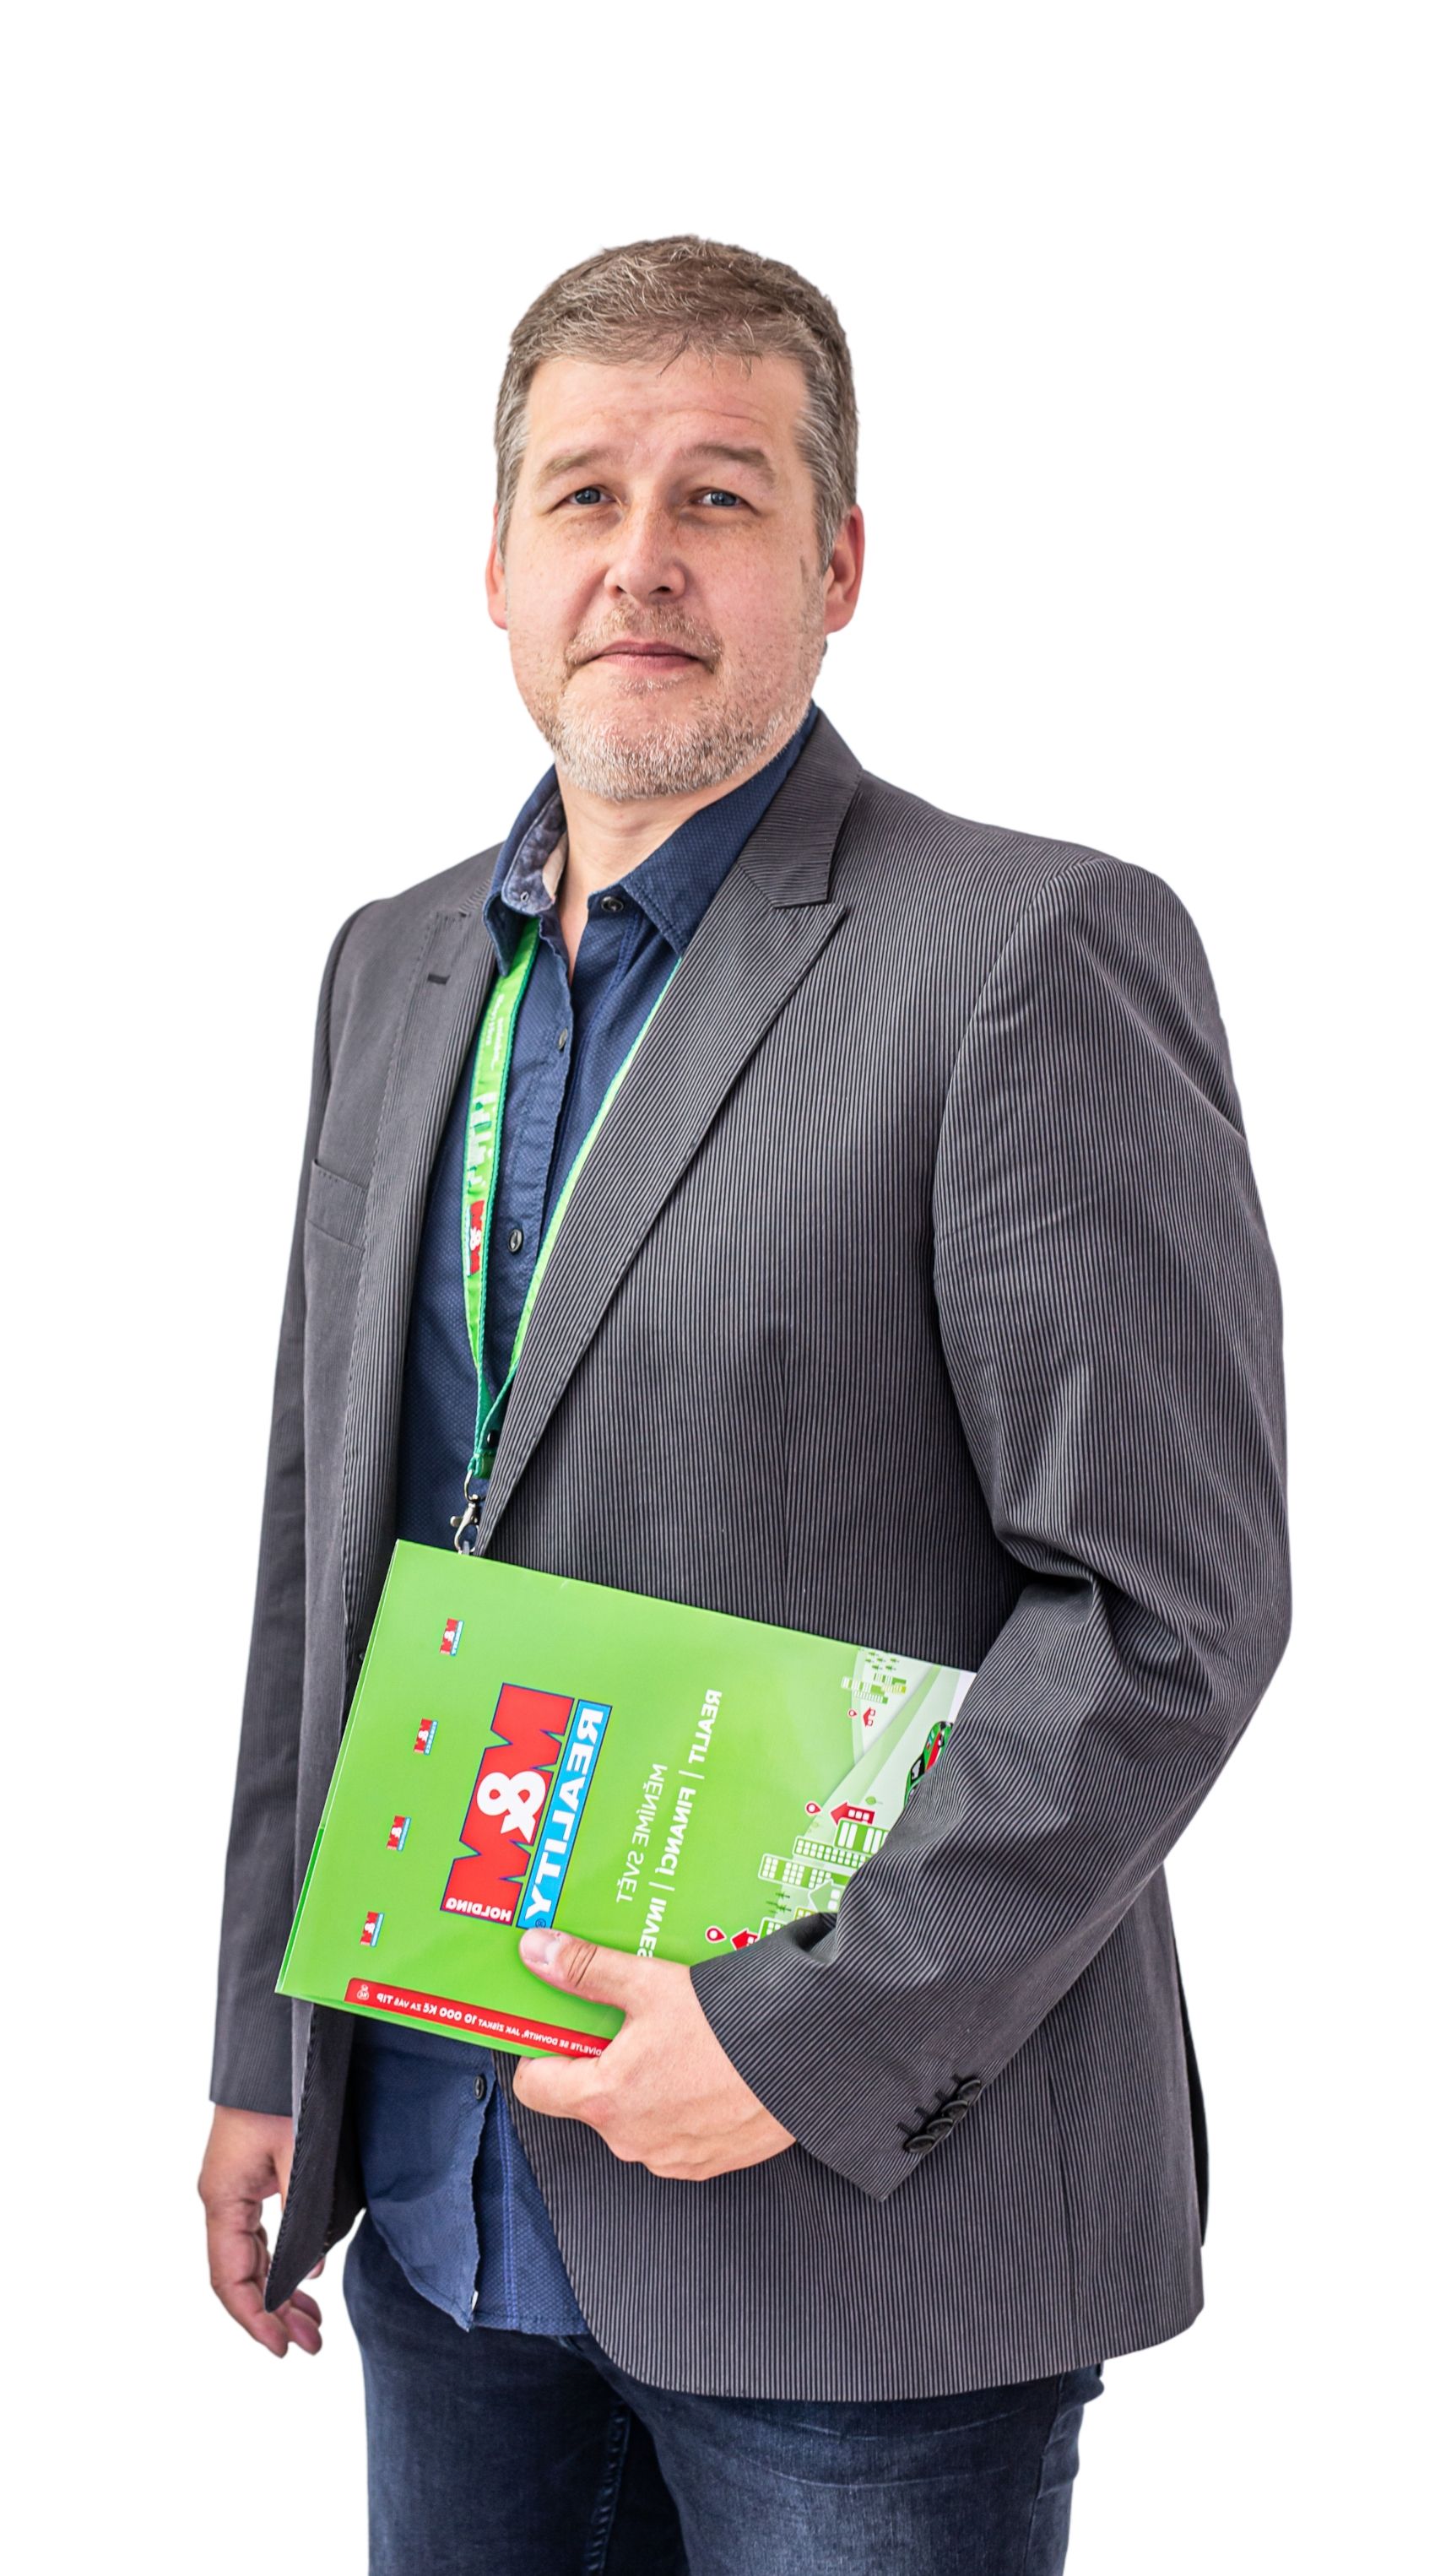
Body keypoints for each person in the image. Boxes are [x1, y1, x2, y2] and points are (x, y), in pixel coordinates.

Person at [199, 235, 1290, 2575]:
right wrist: (265, 2044)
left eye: (720, 494)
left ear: (838, 565)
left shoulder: (1021, 952)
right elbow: (335, 1537)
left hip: (855, 2242)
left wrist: (801, 2034)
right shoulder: (394, 966)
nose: (643, 558)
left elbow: (1165, 1612)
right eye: (585, 494)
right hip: (442, 2187)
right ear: (500, 568)